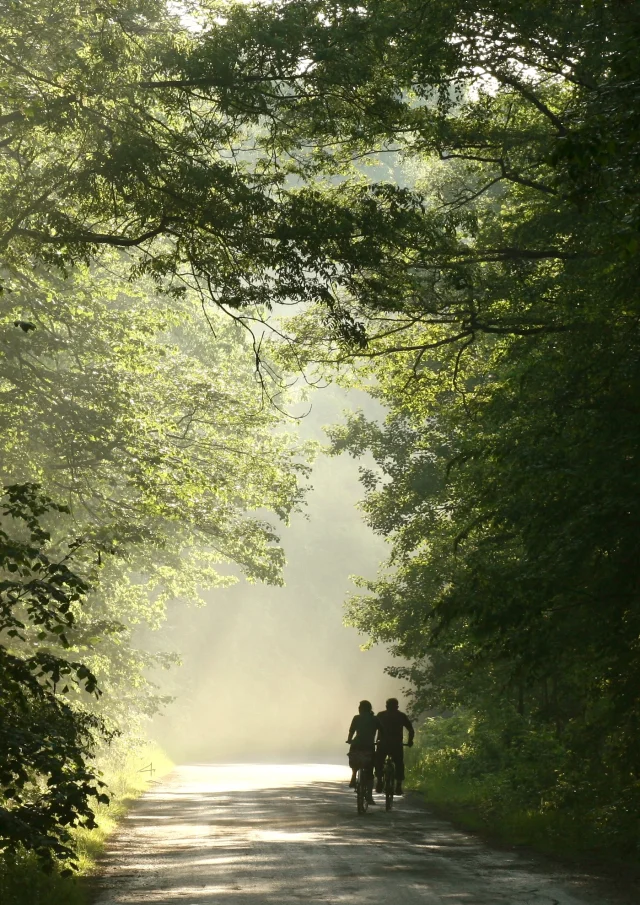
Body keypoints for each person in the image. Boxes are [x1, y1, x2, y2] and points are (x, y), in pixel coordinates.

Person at [375, 697, 414, 795]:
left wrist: (375, 740)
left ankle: (379, 781)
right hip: (396, 745)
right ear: (397, 707)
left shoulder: (381, 715)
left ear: (386, 706)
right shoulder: (401, 716)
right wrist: (410, 741)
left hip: (383, 744)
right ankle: (398, 786)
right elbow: (411, 729)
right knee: (399, 763)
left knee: (379, 761)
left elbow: (373, 728)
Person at [346, 700, 381, 803]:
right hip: (369, 745)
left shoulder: (356, 718)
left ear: (361, 709)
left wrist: (349, 739)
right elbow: (382, 730)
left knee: (354, 758)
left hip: (356, 744)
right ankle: (369, 795)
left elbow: (351, 730)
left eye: (359, 707)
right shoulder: (375, 719)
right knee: (369, 770)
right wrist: (379, 740)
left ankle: (353, 775)